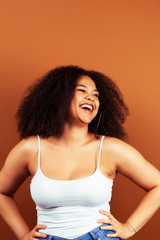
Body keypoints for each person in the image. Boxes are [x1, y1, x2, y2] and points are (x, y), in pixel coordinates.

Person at [0, 65, 159, 240]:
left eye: (96, 95)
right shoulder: (30, 149)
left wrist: (129, 227)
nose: (91, 97)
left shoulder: (110, 149)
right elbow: (2, 192)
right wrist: (23, 235)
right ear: (60, 97)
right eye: (82, 90)